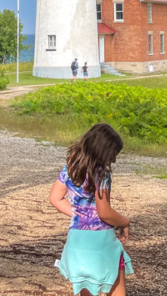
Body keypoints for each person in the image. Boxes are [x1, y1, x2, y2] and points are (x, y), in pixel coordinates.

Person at [49, 123, 132, 296]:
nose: (114, 160)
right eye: (113, 155)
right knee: (116, 290)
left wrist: (83, 215)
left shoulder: (70, 167)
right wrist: (125, 221)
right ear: (103, 151)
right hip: (101, 242)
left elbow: (55, 198)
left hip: (76, 241)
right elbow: (104, 212)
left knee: (86, 288)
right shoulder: (101, 174)